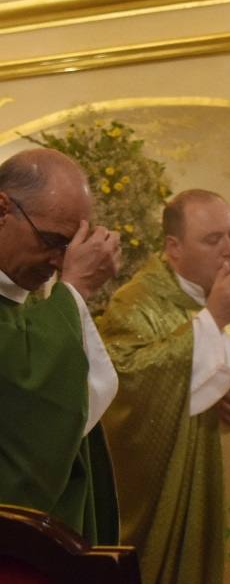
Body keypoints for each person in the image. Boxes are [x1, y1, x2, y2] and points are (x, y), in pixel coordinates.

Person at [99, 189, 230, 584]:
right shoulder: (137, 304)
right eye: (212, 239)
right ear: (173, 248)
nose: (229, 249)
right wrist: (212, 320)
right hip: (177, 509)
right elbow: (125, 391)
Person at [0, 148, 121, 544]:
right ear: (2, 209)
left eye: (69, 248)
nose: (58, 261)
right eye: (52, 241)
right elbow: (26, 408)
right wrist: (76, 291)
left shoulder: (27, 298)